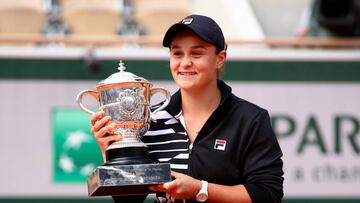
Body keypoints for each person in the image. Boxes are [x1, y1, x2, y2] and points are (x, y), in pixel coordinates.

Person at [90, 14, 284, 203]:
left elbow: (268, 194)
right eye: (177, 53)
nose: (185, 62)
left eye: (196, 53)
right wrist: (113, 152)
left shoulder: (250, 119)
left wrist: (201, 190)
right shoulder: (151, 121)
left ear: (220, 58)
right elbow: (129, 199)